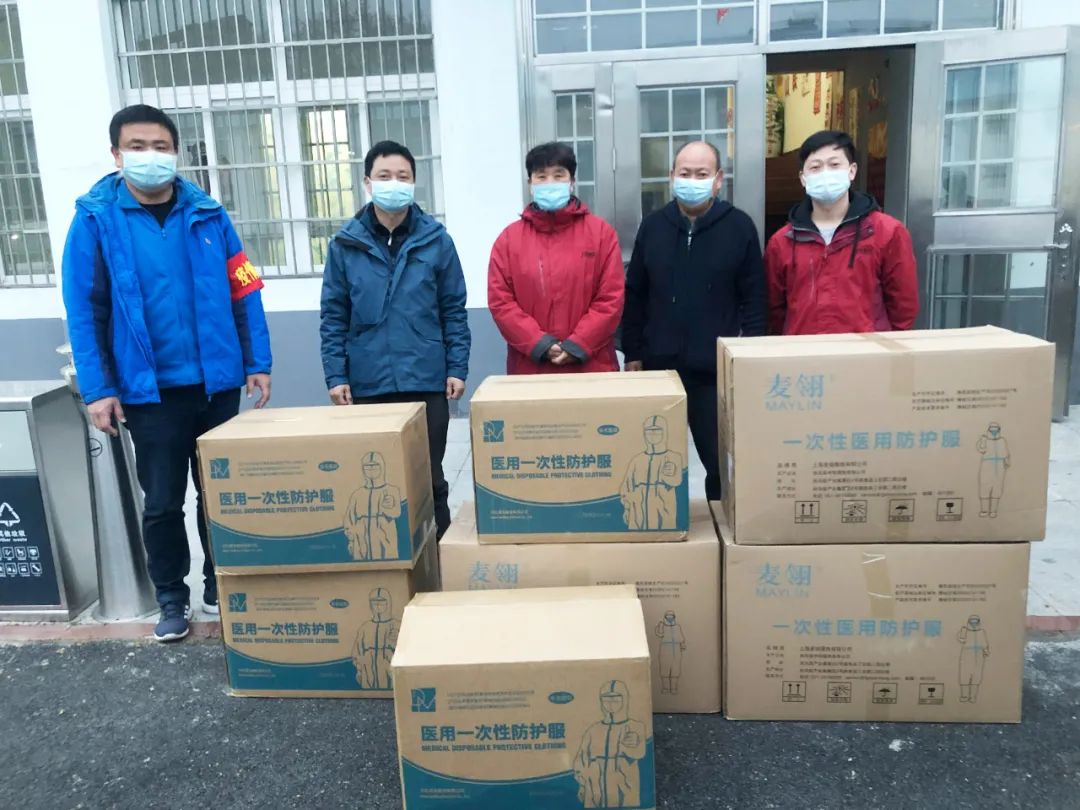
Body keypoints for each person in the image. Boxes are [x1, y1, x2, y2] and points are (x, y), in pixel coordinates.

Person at [62, 104, 272, 643]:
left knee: (220, 493)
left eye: (160, 146)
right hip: (149, 392)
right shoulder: (95, 221)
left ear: (176, 152)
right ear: (116, 154)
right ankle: (172, 598)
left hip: (215, 384)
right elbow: (85, 310)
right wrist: (99, 389)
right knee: (161, 503)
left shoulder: (209, 215)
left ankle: (218, 583)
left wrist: (257, 361)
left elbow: (245, 288)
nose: (150, 156)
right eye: (138, 146)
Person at [320, 141, 469, 539]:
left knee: (430, 479)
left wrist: (457, 366)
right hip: (369, 382)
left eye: (403, 176)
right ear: (367, 182)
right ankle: (388, 558)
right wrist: (336, 375)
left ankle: (440, 560)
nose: (394, 183)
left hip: (425, 379)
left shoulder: (436, 241)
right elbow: (334, 316)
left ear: (414, 182)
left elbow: (453, 309)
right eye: (384, 176)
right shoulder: (345, 245)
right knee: (376, 481)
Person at [622, 140, 765, 501]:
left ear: (718, 180)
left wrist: (750, 355)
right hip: (658, 368)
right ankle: (660, 523)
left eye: (702, 174)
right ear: (672, 176)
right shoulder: (653, 226)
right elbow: (635, 293)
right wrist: (633, 351)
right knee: (652, 461)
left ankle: (723, 524)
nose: (692, 180)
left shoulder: (739, 227)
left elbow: (754, 298)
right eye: (685, 173)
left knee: (720, 462)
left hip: (713, 370)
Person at [765, 130, 918, 336]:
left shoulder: (887, 232)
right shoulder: (782, 242)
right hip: (803, 352)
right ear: (803, 178)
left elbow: (903, 305)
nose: (825, 173)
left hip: (865, 352)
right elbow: (775, 310)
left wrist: (887, 349)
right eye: (815, 167)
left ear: (852, 171)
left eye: (834, 164)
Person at [488, 142, 624, 374]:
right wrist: (540, 344)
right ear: (530, 183)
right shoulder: (508, 241)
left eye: (558, 175)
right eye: (541, 176)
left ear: (572, 182)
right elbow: (501, 302)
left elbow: (611, 298)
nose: (550, 183)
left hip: (592, 368)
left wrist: (578, 344)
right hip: (531, 369)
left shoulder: (601, 235)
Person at [573, 680, 647, 808]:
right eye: (606, 699)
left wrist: (635, 742)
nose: (610, 703)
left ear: (625, 699)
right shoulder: (593, 730)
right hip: (595, 787)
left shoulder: (635, 727)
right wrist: (582, 784)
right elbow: (582, 758)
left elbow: (639, 753)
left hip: (624, 786)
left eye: (615, 699)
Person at [620, 415, 683, 531]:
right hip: (638, 512)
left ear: (664, 432)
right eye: (649, 431)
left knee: (665, 534)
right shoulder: (636, 460)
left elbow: (676, 481)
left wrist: (668, 474)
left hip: (663, 510)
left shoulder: (673, 457)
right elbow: (626, 487)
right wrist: (627, 508)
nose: (653, 434)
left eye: (657, 430)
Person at [343, 452, 403, 561]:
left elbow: (397, 512)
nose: (371, 469)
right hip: (361, 542)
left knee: (388, 565)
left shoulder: (392, 491)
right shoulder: (357, 494)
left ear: (382, 467)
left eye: (375, 465)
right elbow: (349, 519)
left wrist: (389, 506)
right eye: (367, 466)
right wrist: (351, 539)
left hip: (385, 540)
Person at [353, 587, 398, 690]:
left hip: (391, 679)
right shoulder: (364, 628)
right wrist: (360, 667)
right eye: (374, 602)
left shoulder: (397, 625)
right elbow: (356, 652)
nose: (378, 605)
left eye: (382, 601)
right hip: (368, 678)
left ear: (388, 603)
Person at [977, 422, 1010, 518]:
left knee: (997, 488)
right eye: (992, 430)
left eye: (996, 429)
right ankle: (984, 510)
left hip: (999, 465)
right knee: (984, 486)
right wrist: (983, 441)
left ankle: (993, 511)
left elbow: (1006, 453)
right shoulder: (985, 439)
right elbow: (981, 450)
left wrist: (1007, 462)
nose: (994, 431)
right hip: (987, 465)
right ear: (989, 430)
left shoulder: (1002, 440)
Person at [957, 615, 990, 703]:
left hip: (979, 656)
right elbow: (960, 639)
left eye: (976, 622)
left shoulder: (982, 632)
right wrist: (962, 633)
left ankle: (972, 697)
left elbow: (985, 644)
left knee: (976, 677)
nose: (974, 623)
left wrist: (986, 651)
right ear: (969, 622)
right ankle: (964, 696)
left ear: (978, 622)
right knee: (964, 675)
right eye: (972, 621)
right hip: (966, 655)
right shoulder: (965, 630)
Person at [655, 610, 686, 695]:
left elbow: (681, 638)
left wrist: (682, 645)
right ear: (665, 617)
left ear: (674, 617)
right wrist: (659, 626)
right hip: (665, 650)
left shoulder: (677, 626)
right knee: (664, 670)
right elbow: (659, 634)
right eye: (668, 617)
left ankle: (674, 688)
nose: (670, 618)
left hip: (676, 650)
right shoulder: (662, 626)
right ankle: (665, 688)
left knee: (675, 670)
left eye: (671, 617)